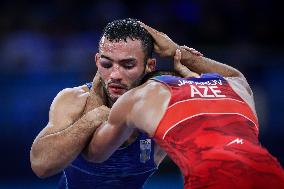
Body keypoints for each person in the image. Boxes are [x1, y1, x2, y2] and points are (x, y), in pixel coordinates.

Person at [82, 24, 284, 189]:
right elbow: (235, 74)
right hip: (270, 172)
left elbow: (95, 153)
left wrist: (99, 93)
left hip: (213, 176)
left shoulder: (140, 96)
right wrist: (177, 51)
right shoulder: (235, 87)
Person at [30, 18, 169, 189]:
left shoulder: (162, 110)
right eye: (107, 64)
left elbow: (211, 85)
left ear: (150, 65)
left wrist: (180, 52)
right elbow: (41, 166)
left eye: (128, 65)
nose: (115, 75)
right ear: (97, 61)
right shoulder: (74, 100)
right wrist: (92, 118)